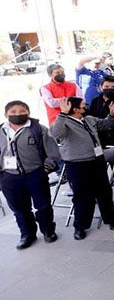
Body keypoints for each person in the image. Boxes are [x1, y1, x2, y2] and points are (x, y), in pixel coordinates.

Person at [50, 97, 114, 240]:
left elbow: (105, 124)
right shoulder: (64, 122)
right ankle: (80, 226)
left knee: (104, 191)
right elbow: (56, 133)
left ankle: (110, 219)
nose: (86, 106)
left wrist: (112, 115)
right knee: (82, 196)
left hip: (97, 160)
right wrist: (62, 114)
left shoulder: (88, 119)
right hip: (77, 164)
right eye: (83, 105)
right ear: (75, 109)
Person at [0, 101, 60, 249]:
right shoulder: (1, 131)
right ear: (6, 114)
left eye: (22, 111)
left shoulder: (39, 129)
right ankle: (27, 234)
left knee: (43, 206)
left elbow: (53, 151)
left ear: (28, 112)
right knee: (19, 209)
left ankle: (48, 231)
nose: (18, 114)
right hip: (9, 177)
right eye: (13, 112)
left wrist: (46, 169)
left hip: (35, 174)